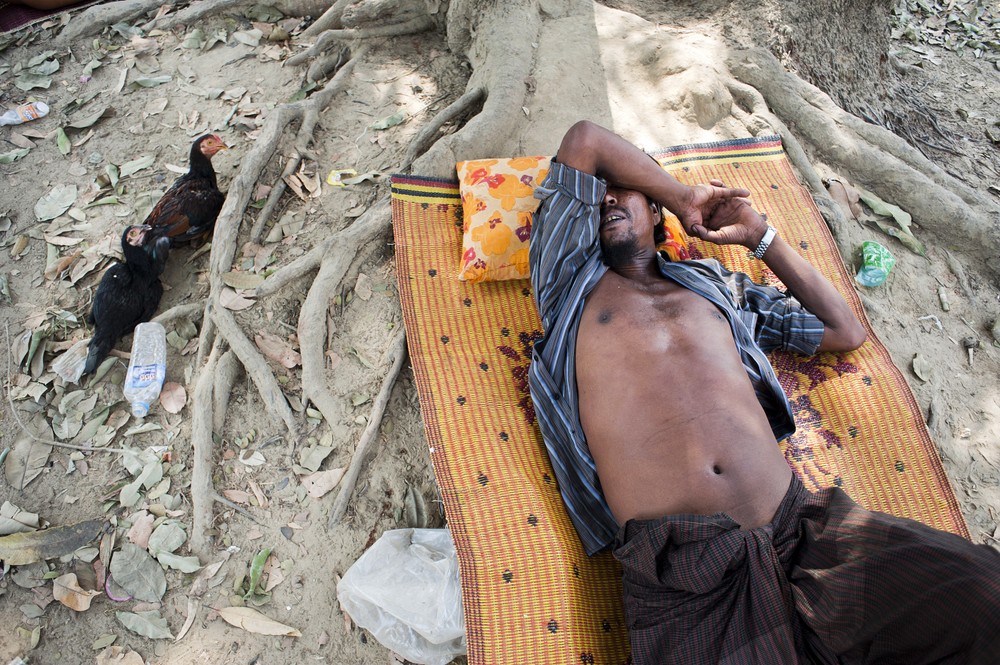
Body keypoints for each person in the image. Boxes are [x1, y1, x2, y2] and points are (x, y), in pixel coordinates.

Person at [528, 120, 1000, 664]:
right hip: (689, 574)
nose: (607, 198)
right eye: (598, 194)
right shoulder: (568, 286)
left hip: (804, 533)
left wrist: (759, 236)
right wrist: (683, 196)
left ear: (654, 214)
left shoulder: (717, 287)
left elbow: (843, 330)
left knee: (981, 594)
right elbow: (585, 140)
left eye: (624, 189)